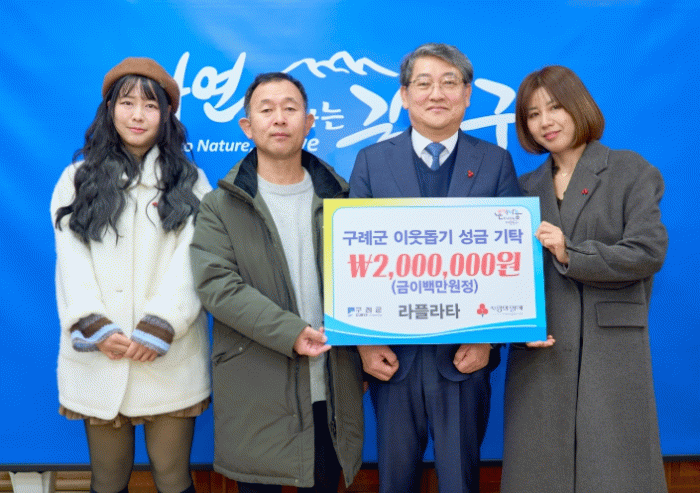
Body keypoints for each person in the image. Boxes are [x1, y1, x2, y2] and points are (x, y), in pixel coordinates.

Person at [349, 43, 520, 493]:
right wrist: (364, 344)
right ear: (405, 95)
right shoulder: (372, 161)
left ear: (467, 95)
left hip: (464, 357)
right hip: (392, 359)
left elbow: (512, 260)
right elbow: (351, 260)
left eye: (449, 83)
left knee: (461, 481)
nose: (436, 94)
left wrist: (488, 338)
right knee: (394, 480)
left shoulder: (495, 162)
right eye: (423, 83)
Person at [189, 72, 364, 493]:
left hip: (331, 387)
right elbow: (217, 285)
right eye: (266, 110)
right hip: (257, 387)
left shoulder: (344, 200)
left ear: (309, 122)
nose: (279, 119)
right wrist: (290, 332)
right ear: (247, 126)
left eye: (290, 108)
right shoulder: (220, 205)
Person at [500, 65, 668, 493]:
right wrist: (516, 328)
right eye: (533, 114)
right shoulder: (523, 189)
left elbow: (648, 252)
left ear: (579, 107)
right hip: (541, 349)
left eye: (555, 107)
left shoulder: (629, 170)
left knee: (615, 468)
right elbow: (505, 276)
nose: (545, 121)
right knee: (538, 470)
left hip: (610, 347)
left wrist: (569, 252)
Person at [51, 57, 212, 493]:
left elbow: (195, 259)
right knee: (107, 477)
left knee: (172, 474)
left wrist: (162, 323)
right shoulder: (76, 179)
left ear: (167, 114)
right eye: (127, 103)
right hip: (101, 353)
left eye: (150, 105)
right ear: (109, 109)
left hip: (169, 354)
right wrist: (95, 325)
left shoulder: (192, 182)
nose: (138, 115)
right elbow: (70, 261)